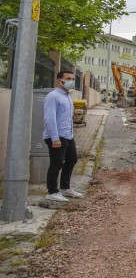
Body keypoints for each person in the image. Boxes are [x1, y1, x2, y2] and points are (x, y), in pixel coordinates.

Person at [43, 70, 83, 202]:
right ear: (59, 81)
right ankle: (52, 191)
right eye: (69, 78)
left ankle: (65, 188)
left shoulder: (67, 96)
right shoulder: (53, 96)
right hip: (57, 136)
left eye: (73, 78)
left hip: (67, 135)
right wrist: (55, 138)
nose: (72, 81)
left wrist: (71, 135)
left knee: (72, 159)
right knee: (57, 163)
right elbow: (50, 119)